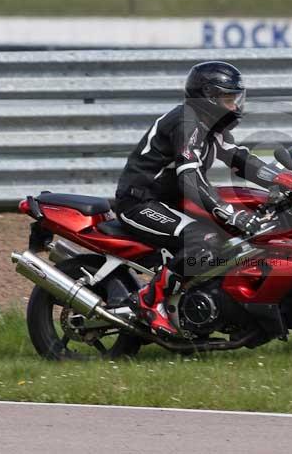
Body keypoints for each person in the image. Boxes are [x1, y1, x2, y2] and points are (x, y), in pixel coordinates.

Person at [114, 61, 275, 336]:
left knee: (228, 236)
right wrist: (229, 212)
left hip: (167, 202)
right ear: (208, 98)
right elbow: (189, 179)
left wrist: (286, 180)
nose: (235, 106)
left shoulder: (211, 128)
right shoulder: (186, 122)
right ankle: (150, 302)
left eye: (236, 98)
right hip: (139, 203)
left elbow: (242, 160)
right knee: (201, 239)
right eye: (228, 99)